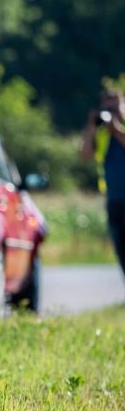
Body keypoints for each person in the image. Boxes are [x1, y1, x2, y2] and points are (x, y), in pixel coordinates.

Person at [80, 88, 125, 282]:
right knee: (122, 247)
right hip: (115, 199)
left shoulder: (117, 129)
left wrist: (116, 128)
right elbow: (84, 156)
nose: (111, 109)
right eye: (107, 105)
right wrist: (91, 127)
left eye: (115, 104)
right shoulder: (101, 132)